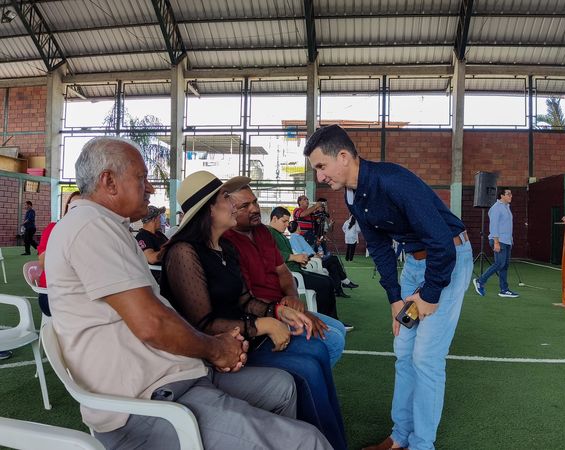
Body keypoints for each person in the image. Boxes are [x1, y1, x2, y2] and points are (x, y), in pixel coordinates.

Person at [45, 136, 331, 450]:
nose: (150, 187)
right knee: (309, 441)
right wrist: (216, 348)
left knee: (283, 386)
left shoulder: (109, 227)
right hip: (147, 401)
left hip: (176, 375)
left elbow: (178, 312)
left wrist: (271, 314)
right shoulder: (91, 227)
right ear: (109, 181)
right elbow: (153, 323)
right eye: (142, 177)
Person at [304, 124, 473, 450]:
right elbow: (380, 248)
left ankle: (422, 445)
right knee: (404, 352)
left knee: (425, 358)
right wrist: (395, 298)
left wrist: (429, 293)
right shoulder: (352, 195)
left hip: (446, 262)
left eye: (321, 166)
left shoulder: (394, 181)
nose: (320, 176)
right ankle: (399, 437)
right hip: (414, 265)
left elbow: (442, 244)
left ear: (343, 156)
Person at [161, 172, 346, 450]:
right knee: (307, 367)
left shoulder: (224, 247)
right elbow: (200, 324)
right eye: (227, 198)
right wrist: (263, 325)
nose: (234, 205)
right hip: (216, 356)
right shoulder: (184, 253)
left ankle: (333, 442)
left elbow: (245, 300)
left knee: (318, 350)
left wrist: (278, 311)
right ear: (209, 209)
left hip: (245, 340)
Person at [223, 185, 347, 367]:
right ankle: (301, 375)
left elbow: (283, 271)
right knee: (333, 341)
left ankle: (306, 373)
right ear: (229, 210)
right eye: (245, 206)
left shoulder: (263, 232)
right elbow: (247, 299)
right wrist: (290, 311)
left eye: (255, 202)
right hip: (264, 315)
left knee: (339, 329)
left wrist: (293, 297)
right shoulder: (227, 241)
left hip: (282, 305)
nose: (255, 209)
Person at [268, 207, 353, 327]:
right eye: (284, 221)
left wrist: (299, 261)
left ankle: (332, 320)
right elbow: (269, 254)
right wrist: (293, 257)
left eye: (288, 221)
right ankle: (326, 322)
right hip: (289, 276)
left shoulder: (280, 234)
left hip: (295, 270)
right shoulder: (268, 233)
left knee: (328, 281)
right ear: (274, 219)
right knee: (324, 284)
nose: (287, 225)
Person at [36, 190, 81, 316]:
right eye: (73, 207)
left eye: (82, 206)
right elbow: (43, 263)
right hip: (52, 295)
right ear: (67, 209)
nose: (77, 211)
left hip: (79, 292)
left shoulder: (92, 232)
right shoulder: (53, 228)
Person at [473, 188, 520, 298]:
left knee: (504, 266)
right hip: (499, 241)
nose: (511, 196)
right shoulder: (496, 208)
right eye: (508, 194)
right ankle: (480, 281)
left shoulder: (507, 207)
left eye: (511, 194)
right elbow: (493, 226)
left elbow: (507, 225)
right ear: (502, 196)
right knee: (499, 264)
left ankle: (504, 290)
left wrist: (510, 239)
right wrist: (496, 242)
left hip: (507, 241)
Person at [289, 221, 358, 295]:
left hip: (315, 258)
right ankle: (344, 280)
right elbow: (300, 253)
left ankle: (339, 290)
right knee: (334, 258)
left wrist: (316, 253)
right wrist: (313, 255)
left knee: (333, 266)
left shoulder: (299, 237)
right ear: (297, 227)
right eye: (299, 226)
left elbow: (307, 249)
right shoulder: (294, 239)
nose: (300, 228)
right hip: (311, 261)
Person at [136, 205, 168, 281]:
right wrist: (169, 250)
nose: (161, 220)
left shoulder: (159, 234)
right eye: (160, 217)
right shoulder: (142, 236)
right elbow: (151, 258)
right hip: (159, 275)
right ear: (154, 219)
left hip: (170, 269)